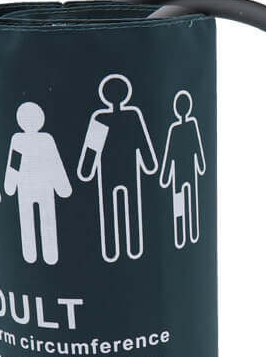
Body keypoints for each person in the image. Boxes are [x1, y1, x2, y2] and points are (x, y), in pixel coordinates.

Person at [77, 74, 158, 262]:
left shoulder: (103, 118)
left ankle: (112, 250)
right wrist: (149, 164)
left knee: (110, 209)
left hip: (109, 172)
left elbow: (92, 150)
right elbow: (142, 143)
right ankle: (133, 247)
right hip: (127, 170)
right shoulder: (130, 115)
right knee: (131, 207)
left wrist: (87, 170)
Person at [4, 102, 72, 265]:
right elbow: (14, 164)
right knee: (35, 219)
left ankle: (38, 255)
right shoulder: (24, 140)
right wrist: (63, 187)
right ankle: (41, 255)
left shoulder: (33, 140)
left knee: (39, 219)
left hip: (34, 188)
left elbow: (53, 162)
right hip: (34, 187)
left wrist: (10, 185)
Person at [159, 90, 206, 248]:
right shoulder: (183, 127)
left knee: (183, 201)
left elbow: (171, 152)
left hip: (182, 172)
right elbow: (171, 151)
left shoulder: (179, 128)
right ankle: (185, 234)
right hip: (187, 171)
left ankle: (182, 235)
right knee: (187, 201)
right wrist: (200, 165)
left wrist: (166, 175)